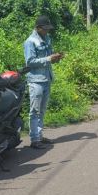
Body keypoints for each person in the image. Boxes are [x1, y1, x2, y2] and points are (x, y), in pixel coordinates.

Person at [23, 15, 63, 149]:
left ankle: (39, 136)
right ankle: (34, 140)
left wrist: (56, 57)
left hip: (46, 79)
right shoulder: (30, 42)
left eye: (48, 29)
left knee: (42, 110)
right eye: (45, 29)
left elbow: (49, 56)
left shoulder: (47, 39)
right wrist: (48, 59)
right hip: (35, 81)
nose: (47, 31)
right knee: (34, 110)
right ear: (38, 28)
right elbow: (30, 62)